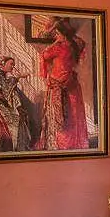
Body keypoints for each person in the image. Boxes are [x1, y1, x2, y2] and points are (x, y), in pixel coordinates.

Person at [38, 17, 91, 150]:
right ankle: (75, 143)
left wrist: (56, 40)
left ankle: (63, 145)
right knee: (73, 114)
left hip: (58, 84)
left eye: (57, 33)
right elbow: (81, 43)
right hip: (72, 84)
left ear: (61, 33)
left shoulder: (58, 47)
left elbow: (44, 55)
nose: (56, 36)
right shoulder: (75, 44)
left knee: (61, 116)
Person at [0, 55, 39, 153]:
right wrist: (17, 77)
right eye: (11, 64)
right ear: (2, 64)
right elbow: (6, 90)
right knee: (13, 123)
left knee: (19, 118)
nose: (12, 67)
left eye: (13, 65)